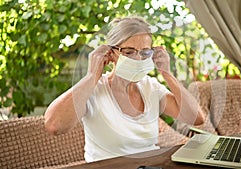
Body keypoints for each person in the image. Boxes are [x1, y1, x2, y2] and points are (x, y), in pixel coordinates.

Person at [44, 16, 205, 162]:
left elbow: (196, 118)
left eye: (145, 52)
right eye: (129, 52)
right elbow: (54, 126)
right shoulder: (94, 89)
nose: (138, 58)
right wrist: (91, 76)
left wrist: (167, 74)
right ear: (111, 53)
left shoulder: (150, 87)